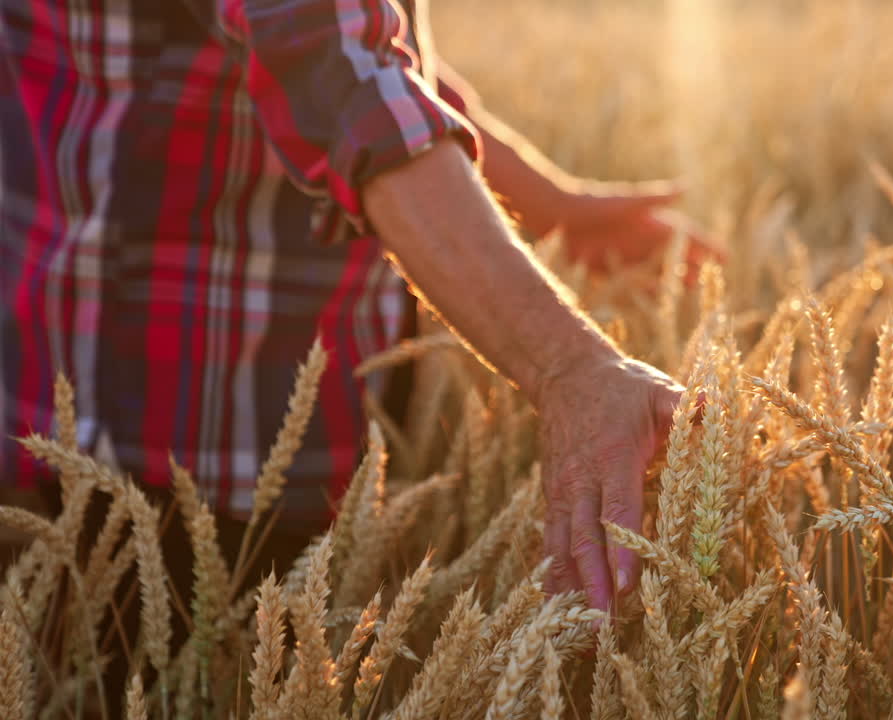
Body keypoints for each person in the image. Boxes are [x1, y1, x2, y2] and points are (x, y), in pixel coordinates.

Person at [0, 0, 713, 612]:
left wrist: (550, 209)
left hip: (233, 400)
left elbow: (369, 55)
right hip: (161, 430)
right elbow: (338, 69)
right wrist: (571, 369)